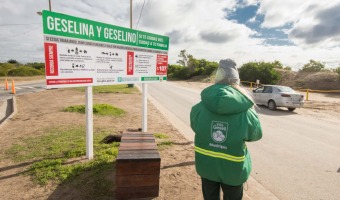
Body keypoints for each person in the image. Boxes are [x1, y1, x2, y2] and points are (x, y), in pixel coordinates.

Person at [190, 59, 263, 200]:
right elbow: (255, 135)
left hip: (206, 165)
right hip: (234, 169)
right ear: (237, 81)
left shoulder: (199, 107)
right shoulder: (247, 110)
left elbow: (195, 127)